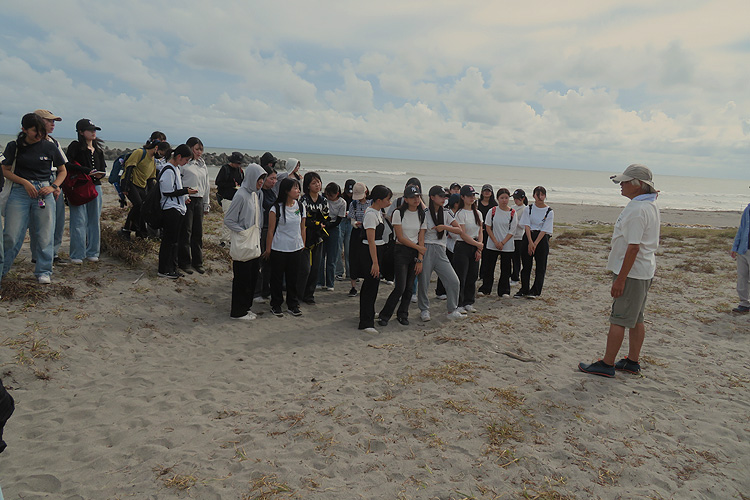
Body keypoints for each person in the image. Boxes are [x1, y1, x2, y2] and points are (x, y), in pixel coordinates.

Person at [579, 165, 660, 377]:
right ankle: (632, 361)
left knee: (619, 318)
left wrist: (620, 279)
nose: (621, 186)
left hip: (633, 273)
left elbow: (634, 247)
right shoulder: (648, 205)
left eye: (624, 182)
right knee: (636, 318)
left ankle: (607, 364)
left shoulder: (638, 210)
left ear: (638, 185)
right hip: (642, 271)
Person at [2, 113, 67, 284]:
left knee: (45, 234)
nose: (39, 135)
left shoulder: (49, 146)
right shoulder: (14, 146)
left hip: (44, 192)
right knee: (11, 234)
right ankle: (3, 269)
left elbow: (63, 171)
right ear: (23, 129)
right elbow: (5, 170)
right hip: (19, 192)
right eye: (34, 131)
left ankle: (44, 270)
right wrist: (24, 183)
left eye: (41, 131)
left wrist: (53, 187)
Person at [377, 185, 426, 327]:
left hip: (415, 253)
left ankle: (403, 314)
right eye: (412, 197)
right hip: (401, 251)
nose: (416, 199)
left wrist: (420, 259)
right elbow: (400, 237)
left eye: (418, 196)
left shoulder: (422, 214)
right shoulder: (399, 213)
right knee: (400, 287)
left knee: (410, 288)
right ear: (406, 199)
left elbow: (421, 237)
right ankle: (385, 315)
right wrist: (419, 248)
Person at [417, 186, 466, 322]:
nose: (444, 199)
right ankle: (424, 309)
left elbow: (459, 230)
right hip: (427, 248)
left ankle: (452, 309)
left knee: (453, 280)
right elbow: (421, 236)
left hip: (440, 249)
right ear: (432, 197)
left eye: (445, 196)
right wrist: (420, 255)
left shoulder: (447, 212)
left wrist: (444, 227)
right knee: (424, 281)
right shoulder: (425, 213)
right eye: (440, 196)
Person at [224, 163, 266, 319]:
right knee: (242, 278)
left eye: (262, 179)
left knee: (252, 277)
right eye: (259, 179)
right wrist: (243, 232)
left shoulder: (255, 194)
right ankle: (238, 311)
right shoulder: (241, 194)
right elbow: (229, 219)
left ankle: (246, 307)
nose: (261, 182)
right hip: (244, 241)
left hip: (254, 241)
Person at [65, 119, 107, 264]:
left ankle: (93, 251)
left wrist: (100, 174)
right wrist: (87, 171)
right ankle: (77, 253)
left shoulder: (99, 150)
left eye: (94, 129)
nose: (93, 132)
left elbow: (102, 168)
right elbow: (67, 165)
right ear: (81, 132)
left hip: (96, 186)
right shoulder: (75, 146)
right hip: (79, 186)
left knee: (94, 220)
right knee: (78, 220)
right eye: (90, 130)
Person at [265, 177, 306, 317]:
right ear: (287, 191)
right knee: (276, 278)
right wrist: (268, 249)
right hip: (279, 248)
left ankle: (292, 304)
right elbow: (270, 230)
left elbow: (303, 227)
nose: (298, 191)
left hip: (295, 247)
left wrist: (302, 243)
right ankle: (276, 305)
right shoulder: (275, 208)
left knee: (293, 278)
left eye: (298, 188)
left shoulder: (300, 206)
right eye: (295, 188)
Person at [33, 109, 69, 264]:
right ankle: (37, 254)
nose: (53, 124)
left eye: (54, 121)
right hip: (37, 182)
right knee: (38, 221)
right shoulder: (29, 142)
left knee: (58, 219)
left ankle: (53, 253)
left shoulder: (54, 142)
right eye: (50, 120)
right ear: (39, 121)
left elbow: (62, 167)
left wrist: (56, 185)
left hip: (54, 180)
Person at [356, 185, 393, 333]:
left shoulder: (378, 212)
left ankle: (369, 313)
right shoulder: (371, 214)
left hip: (379, 249)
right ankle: (366, 322)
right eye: (387, 199)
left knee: (373, 285)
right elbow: (370, 240)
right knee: (370, 285)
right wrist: (375, 263)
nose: (389, 202)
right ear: (378, 200)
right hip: (371, 252)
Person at [157, 144, 196, 279]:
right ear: (179, 156)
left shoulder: (175, 168)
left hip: (177, 209)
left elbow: (176, 188)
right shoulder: (168, 169)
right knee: (169, 241)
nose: (186, 163)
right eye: (186, 160)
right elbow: (167, 192)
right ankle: (163, 269)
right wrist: (185, 191)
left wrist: (184, 197)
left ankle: (172, 268)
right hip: (170, 210)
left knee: (175, 241)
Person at [120, 133, 164, 239]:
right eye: (161, 152)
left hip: (141, 185)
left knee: (144, 207)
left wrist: (152, 196)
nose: (161, 155)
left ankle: (140, 232)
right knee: (138, 205)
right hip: (130, 183)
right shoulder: (140, 153)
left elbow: (150, 179)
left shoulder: (153, 160)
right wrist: (125, 188)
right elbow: (129, 168)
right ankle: (126, 230)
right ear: (156, 148)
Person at [515, 186, 554, 299]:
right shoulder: (529, 208)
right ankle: (524, 289)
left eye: (542, 195)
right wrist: (530, 242)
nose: (540, 197)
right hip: (528, 236)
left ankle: (536, 290)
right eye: (538, 194)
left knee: (540, 266)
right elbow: (526, 225)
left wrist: (535, 243)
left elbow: (545, 229)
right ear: (533, 196)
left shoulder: (549, 211)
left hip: (542, 239)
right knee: (526, 265)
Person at [178, 137, 210, 274]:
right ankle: (184, 262)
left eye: (201, 149)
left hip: (199, 199)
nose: (199, 152)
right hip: (187, 199)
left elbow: (206, 185)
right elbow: (178, 182)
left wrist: (206, 203)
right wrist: (184, 196)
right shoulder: (184, 164)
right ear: (190, 148)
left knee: (198, 232)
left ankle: (198, 262)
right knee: (186, 231)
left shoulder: (202, 165)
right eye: (196, 149)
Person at [479, 188, 518, 297]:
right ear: (497, 199)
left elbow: (512, 230)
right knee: (489, 267)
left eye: (506, 198)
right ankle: (485, 288)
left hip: (507, 245)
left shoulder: (512, 213)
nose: (504, 200)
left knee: (505, 269)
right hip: (492, 244)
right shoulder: (492, 211)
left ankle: (504, 290)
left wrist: (503, 242)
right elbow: (488, 227)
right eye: (502, 198)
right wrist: (496, 242)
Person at [297, 171, 329, 304]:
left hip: (318, 238)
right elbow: (303, 219)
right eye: (314, 183)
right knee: (304, 269)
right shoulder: (304, 200)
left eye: (319, 182)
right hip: (305, 237)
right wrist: (316, 223)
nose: (317, 185)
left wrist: (318, 222)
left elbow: (326, 217)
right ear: (308, 186)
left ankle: (309, 295)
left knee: (316, 268)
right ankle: (298, 294)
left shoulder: (323, 200)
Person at [452, 185, 485, 312]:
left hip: (475, 245)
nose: (472, 198)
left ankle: (469, 301)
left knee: (473, 275)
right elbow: (463, 234)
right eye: (469, 196)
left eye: (473, 195)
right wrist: (477, 245)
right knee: (461, 276)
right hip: (463, 246)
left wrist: (479, 248)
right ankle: (459, 303)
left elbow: (480, 230)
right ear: (463, 197)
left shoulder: (478, 213)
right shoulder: (460, 214)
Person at [319, 182, 345, 291]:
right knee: (320, 256)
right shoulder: (323, 199)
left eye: (331, 195)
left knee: (332, 257)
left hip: (334, 228)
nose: (329, 197)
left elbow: (339, 220)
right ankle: (319, 281)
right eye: (327, 195)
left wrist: (329, 225)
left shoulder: (342, 203)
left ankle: (330, 283)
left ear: (337, 194)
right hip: (322, 225)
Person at [347, 182, 370, 297]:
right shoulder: (353, 204)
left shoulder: (371, 204)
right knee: (353, 258)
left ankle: (366, 285)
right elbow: (351, 220)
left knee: (366, 258)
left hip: (368, 233)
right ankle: (353, 286)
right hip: (357, 233)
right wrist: (356, 223)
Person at [730, 193, 750, 314]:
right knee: (742, 277)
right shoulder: (748, 208)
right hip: (743, 249)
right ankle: (744, 303)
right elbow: (742, 229)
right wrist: (735, 247)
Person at [477, 183, 497, 292]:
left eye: (488, 191)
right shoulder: (476, 203)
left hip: (489, 232)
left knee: (487, 255)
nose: (486, 192)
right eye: (485, 190)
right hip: (478, 232)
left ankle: (483, 274)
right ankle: (476, 274)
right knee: (476, 252)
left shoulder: (494, 205)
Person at [336, 178, 356, 281]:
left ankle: (350, 272)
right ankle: (339, 272)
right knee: (339, 248)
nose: (350, 195)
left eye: (352, 192)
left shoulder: (357, 199)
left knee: (349, 249)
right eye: (348, 192)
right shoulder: (341, 198)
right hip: (341, 222)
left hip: (351, 222)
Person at [510, 189, 528, 284]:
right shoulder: (512, 207)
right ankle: (510, 275)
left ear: (523, 199)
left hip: (519, 236)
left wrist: (515, 221)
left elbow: (524, 225)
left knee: (516, 258)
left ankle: (515, 277)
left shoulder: (525, 209)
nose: (515, 200)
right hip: (510, 236)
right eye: (514, 198)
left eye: (517, 199)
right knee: (509, 257)